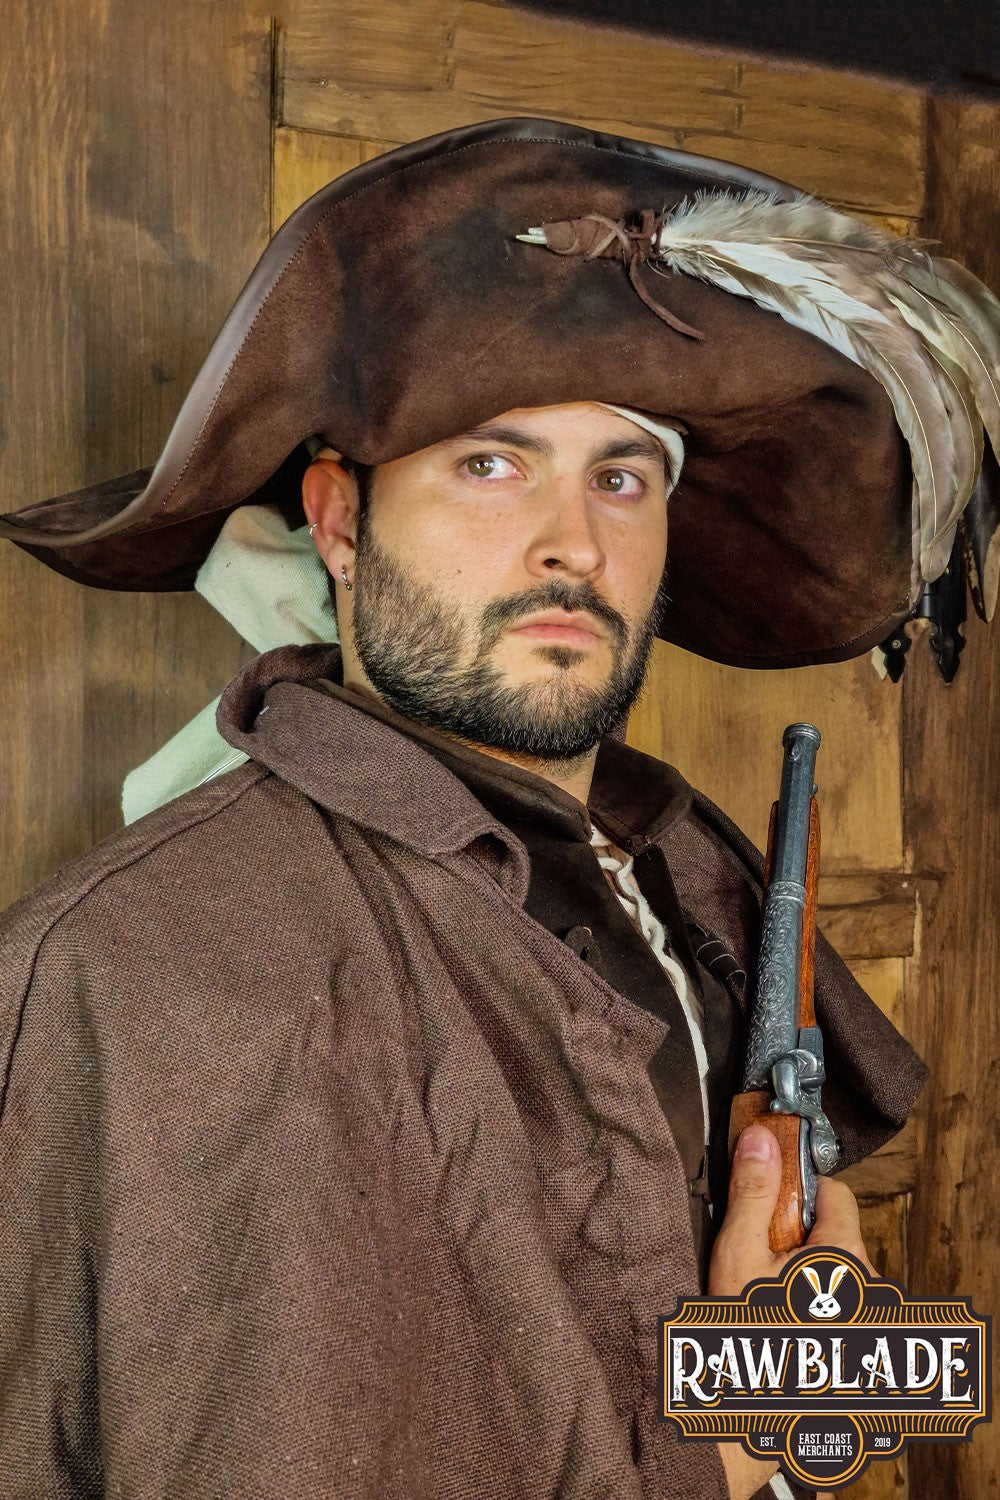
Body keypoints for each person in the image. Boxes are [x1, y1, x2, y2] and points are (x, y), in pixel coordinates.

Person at [0, 117, 996, 1499]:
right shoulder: (135, 976)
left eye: (621, 475)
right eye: (489, 461)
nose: (571, 542)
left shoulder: (683, 904)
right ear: (341, 525)